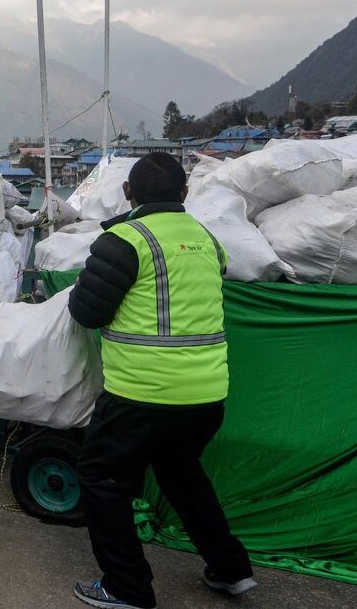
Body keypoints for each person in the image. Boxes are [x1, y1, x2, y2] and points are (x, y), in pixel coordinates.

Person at [67, 152, 256, 609]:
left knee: (101, 478)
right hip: (207, 396)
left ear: (128, 193)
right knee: (182, 474)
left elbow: (87, 313)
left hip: (142, 394)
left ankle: (126, 587)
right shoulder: (209, 240)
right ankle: (232, 570)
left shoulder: (124, 241)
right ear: (185, 194)